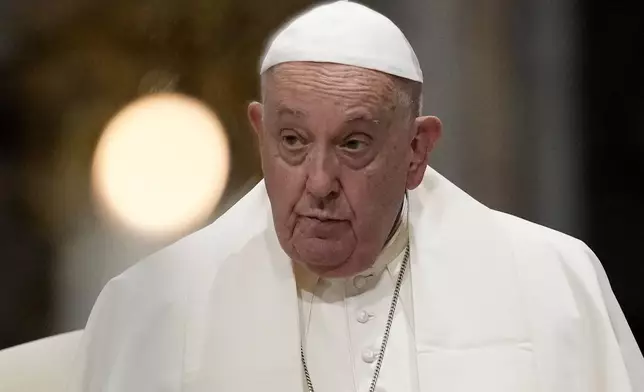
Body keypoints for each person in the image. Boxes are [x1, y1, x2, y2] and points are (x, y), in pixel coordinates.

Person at [68, 2, 644, 391]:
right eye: (292, 141)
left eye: (353, 143)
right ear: (258, 133)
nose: (318, 181)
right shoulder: (155, 307)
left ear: (417, 151)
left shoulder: (552, 284)